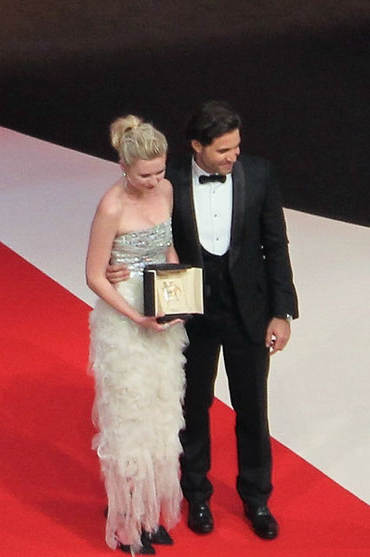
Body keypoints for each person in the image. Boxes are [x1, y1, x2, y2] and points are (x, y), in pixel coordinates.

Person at [107, 101, 299, 540]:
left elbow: (277, 245)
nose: (233, 156)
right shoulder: (167, 176)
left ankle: (256, 499)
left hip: (248, 313)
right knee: (192, 407)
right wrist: (118, 264)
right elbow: (132, 219)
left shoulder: (261, 174)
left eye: (236, 147)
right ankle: (196, 495)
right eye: (223, 150)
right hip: (188, 313)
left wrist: (282, 310)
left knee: (253, 409)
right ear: (197, 146)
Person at [86, 115, 188, 555]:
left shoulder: (165, 191)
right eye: (145, 175)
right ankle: (127, 522)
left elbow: (167, 248)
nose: (155, 182)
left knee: (161, 414)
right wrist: (135, 317)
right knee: (129, 420)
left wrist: (180, 295)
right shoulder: (111, 206)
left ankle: (149, 513)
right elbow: (94, 276)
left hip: (161, 311)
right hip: (124, 320)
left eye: (160, 172)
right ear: (124, 167)